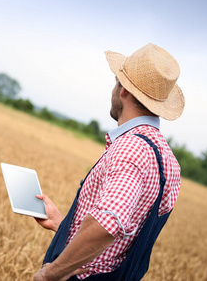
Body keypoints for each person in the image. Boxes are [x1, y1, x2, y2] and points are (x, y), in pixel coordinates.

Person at [33, 43, 184, 281]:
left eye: (116, 82)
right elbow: (124, 236)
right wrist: (61, 224)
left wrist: (50, 274)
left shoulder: (131, 148)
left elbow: (107, 224)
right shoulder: (169, 160)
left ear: (123, 90)